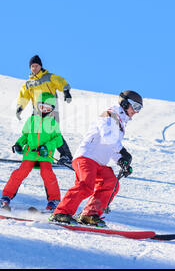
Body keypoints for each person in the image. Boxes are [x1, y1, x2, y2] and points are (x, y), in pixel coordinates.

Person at [50, 90, 143, 227]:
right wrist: (123, 152)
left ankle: (90, 214)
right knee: (86, 185)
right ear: (124, 103)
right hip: (86, 157)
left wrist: (121, 161)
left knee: (111, 183)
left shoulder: (121, 124)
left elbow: (110, 146)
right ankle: (61, 213)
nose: (136, 111)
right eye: (135, 107)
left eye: (139, 108)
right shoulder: (109, 115)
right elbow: (108, 136)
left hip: (99, 162)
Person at [1, 92, 64, 211]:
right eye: (41, 107)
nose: (44, 110)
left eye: (48, 108)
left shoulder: (53, 123)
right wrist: (19, 144)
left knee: (47, 174)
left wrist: (46, 147)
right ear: (37, 106)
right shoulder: (31, 120)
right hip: (30, 153)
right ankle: (6, 196)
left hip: (44, 155)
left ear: (52, 109)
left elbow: (58, 140)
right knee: (21, 172)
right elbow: (25, 135)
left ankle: (54, 200)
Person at [15, 55, 73, 165]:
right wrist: (20, 107)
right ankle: (35, 154)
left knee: (53, 132)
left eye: (36, 66)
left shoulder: (49, 77)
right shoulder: (29, 84)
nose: (34, 68)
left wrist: (66, 91)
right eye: (32, 66)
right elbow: (24, 96)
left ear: (40, 66)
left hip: (51, 110)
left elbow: (61, 82)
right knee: (33, 132)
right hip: (37, 111)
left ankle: (66, 155)